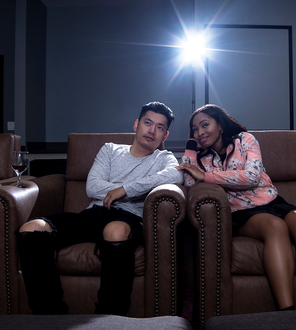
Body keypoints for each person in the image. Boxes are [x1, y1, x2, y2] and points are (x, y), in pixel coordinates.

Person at [17, 101, 183, 316]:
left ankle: (109, 316)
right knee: (31, 229)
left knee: (115, 231)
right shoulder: (110, 150)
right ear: (136, 124)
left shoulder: (164, 158)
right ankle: (49, 314)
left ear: (165, 136)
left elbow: (176, 175)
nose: (152, 130)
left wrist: (124, 190)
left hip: (128, 217)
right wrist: (139, 185)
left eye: (160, 127)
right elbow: (93, 186)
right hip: (93, 214)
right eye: (148, 123)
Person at [176, 104, 296, 311]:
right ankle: (288, 311)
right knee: (275, 226)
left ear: (220, 124)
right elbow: (191, 186)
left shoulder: (245, 140)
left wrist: (207, 176)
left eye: (204, 125)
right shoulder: (201, 159)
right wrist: (190, 149)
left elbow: (252, 176)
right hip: (241, 213)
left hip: (271, 201)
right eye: (195, 129)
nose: (200, 132)